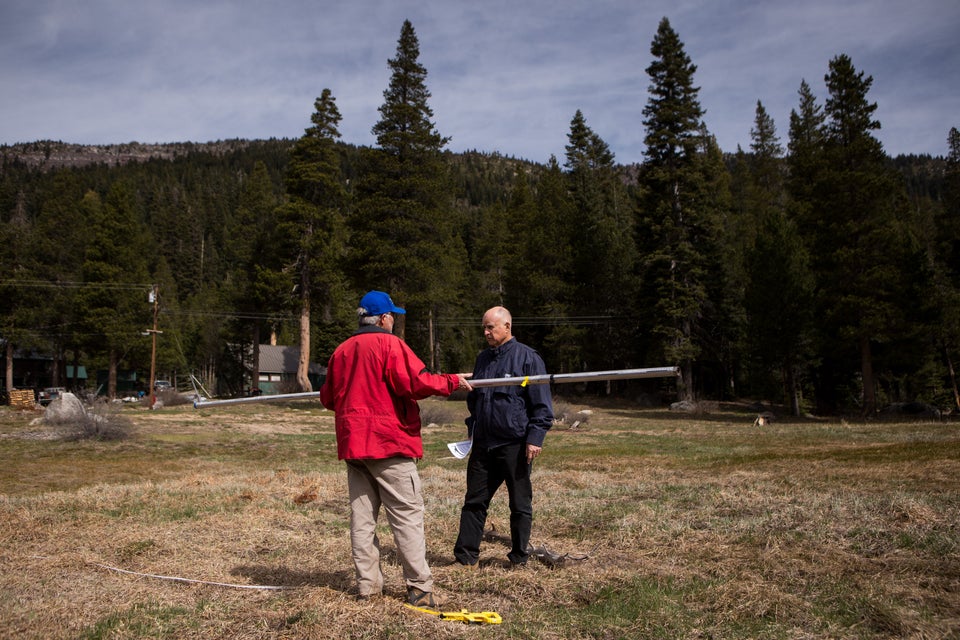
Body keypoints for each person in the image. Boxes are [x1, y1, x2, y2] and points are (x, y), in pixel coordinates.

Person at [319, 290, 472, 607]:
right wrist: (452, 381)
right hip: (389, 444)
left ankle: (368, 588)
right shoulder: (390, 346)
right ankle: (419, 588)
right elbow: (417, 383)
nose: (394, 322)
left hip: (354, 447)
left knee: (362, 521)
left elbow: (327, 398)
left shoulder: (342, 351)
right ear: (385, 318)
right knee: (406, 517)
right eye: (393, 317)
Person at [453, 306, 554, 568]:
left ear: (507, 327)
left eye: (491, 327)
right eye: (484, 328)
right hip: (484, 444)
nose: (486, 332)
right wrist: (472, 428)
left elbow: (541, 405)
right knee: (474, 501)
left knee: (519, 503)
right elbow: (475, 400)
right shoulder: (482, 359)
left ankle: (519, 558)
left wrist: (535, 437)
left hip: (515, 444)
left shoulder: (528, 358)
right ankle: (465, 557)